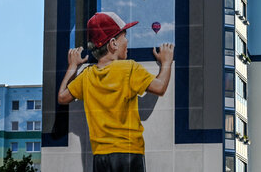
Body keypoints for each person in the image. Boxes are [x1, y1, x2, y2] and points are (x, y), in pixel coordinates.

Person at [57, 12, 174, 172]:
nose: (127, 41)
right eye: (124, 37)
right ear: (113, 43)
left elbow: (62, 97)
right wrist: (166, 61)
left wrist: (72, 66)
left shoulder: (87, 76)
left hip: (100, 157)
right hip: (130, 153)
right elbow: (159, 87)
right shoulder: (129, 68)